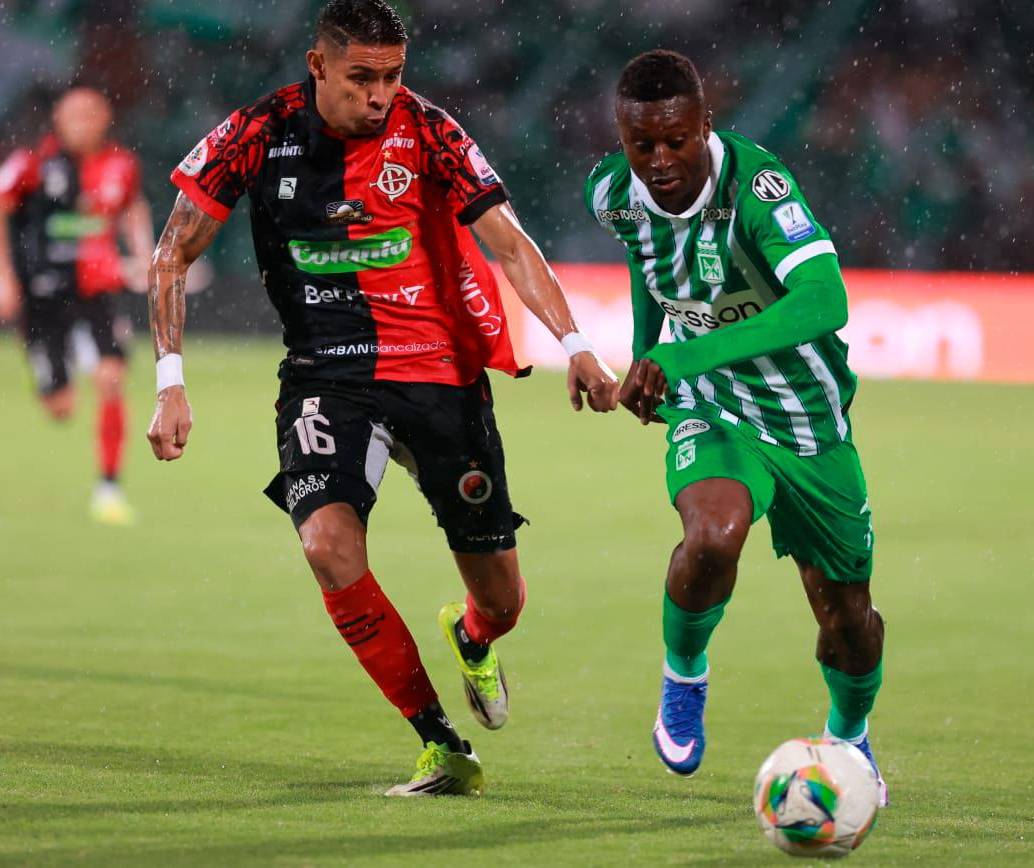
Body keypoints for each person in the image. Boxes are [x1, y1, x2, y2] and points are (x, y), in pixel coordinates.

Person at [146, 0, 618, 797]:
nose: (380, 95)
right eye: (363, 77)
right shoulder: (257, 133)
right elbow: (171, 252)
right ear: (318, 65)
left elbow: (509, 239)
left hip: (438, 374)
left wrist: (575, 345)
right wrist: (170, 382)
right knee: (327, 547)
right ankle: (439, 740)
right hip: (326, 376)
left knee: (501, 597)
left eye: (393, 77)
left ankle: (472, 636)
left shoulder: (429, 129)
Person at [584, 50, 887, 804]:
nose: (658, 161)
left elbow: (824, 302)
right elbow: (646, 265)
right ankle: (684, 675)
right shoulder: (611, 195)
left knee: (850, 620)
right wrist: (647, 354)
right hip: (711, 405)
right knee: (714, 535)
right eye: (640, 144)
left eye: (675, 141)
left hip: (809, 420)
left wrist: (680, 357)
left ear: (705, 126)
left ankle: (849, 740)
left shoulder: (759, 186)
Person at [0, 87, 153, 524]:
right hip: (43, 296)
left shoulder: (121, 164)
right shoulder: (32, 162)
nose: (84, 122)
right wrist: (5, 276)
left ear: (105, 118)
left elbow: (131, 208)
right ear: (58, 119)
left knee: (111, 378)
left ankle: (108, 488)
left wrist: (143, 256)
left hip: (96, 294)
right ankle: (52, 374)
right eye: (75, 114)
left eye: (92, 114)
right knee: (62, 407)